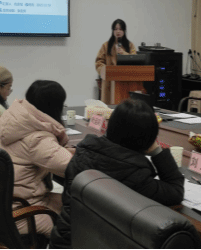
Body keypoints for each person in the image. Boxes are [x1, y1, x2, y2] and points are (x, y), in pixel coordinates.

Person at [49, 99, 184, 249]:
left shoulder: (83, 152)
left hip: (64, 241)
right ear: (148, 139)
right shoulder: (134, 175)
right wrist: (157, 151)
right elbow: (175, 192)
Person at [0, 80, 75, 238]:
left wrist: (69, 151)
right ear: (55, 107)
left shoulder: (19, 123)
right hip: (23, 211)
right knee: (82, 218)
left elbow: (45, 154)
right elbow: (74, 167)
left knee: (77, 206)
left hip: (6, 202)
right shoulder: (37, 138)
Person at [95, 19, 139, 104]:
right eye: (115, 29)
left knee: (125, 106)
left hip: (125, 82)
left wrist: (124, 53)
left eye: (120, 29)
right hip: (109, 82)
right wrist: (104, 71)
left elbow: (135, 60)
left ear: (124, 31)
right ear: (112, 31)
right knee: (109, 107)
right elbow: (99, 62)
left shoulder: (130, 45)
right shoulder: (106, 45)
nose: (118, 31)